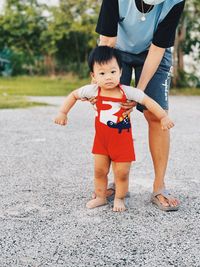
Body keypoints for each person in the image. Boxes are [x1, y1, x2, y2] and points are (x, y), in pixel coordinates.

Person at [54, 46, 174, 212]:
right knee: (99, 171)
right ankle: (101, 197)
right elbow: (74, 95)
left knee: (122, 173)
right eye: (102, 73)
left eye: (112, 72)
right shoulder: (93, 90)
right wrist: (63, 112)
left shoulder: (127, 92)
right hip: (102, 142)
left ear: (120, 72)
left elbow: (147, 101)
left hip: (122, 142)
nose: (108, 77)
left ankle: (119, 198)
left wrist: (163, 116)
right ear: (93, 76)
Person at [94, 0, 185, 211]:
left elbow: (158, 48)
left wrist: (138, 93)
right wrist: (98, 85)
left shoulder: (176, 1)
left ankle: (159, 187)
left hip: (154, 53)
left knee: (156, 115)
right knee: (114, 112)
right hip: (117, 51)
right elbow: (107, 40)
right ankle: (117, 182)